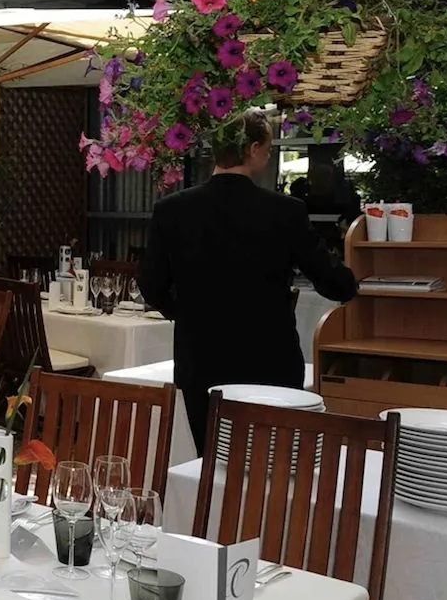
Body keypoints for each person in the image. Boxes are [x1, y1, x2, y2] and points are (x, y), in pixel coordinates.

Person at [138, 110, 358, 453]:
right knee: (270, 462)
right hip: (269, 357)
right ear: (253, 149)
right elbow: (333, 282)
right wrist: (354, 280)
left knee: (210, 460)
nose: (268, 156)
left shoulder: (172, 209)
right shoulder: (285, 211)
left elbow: (151, 285)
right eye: (268, 150)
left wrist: (188, 313)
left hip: (200, 358)